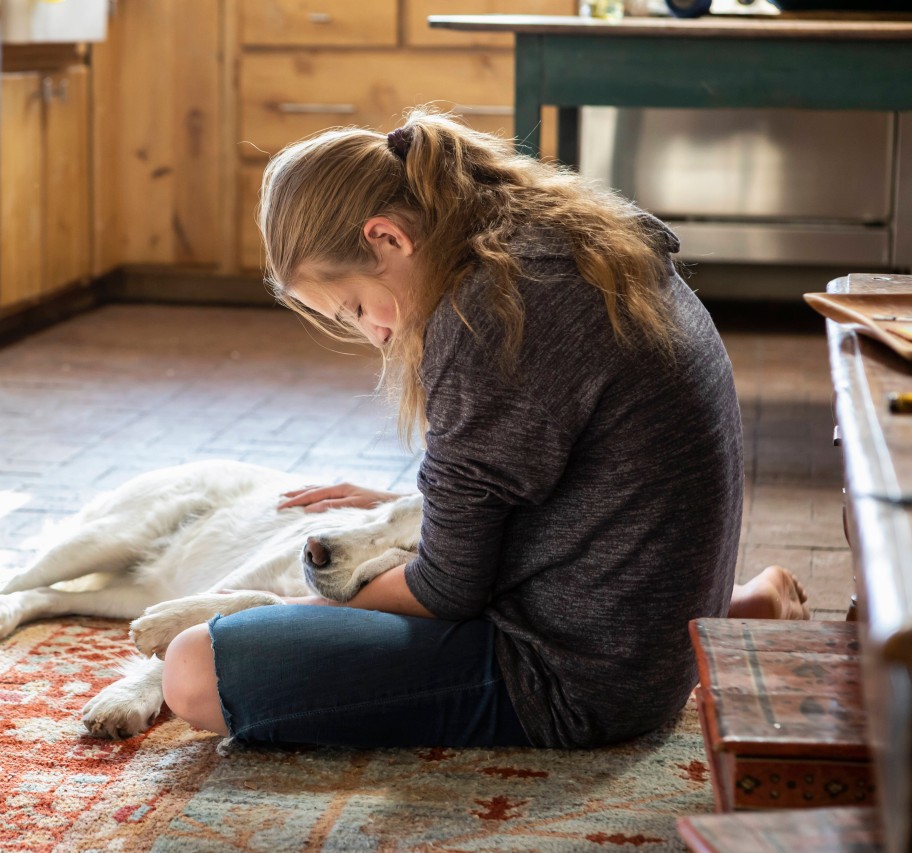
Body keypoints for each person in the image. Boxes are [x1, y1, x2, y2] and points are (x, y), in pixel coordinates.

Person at [159, 110, 809, 750]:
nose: (374, 333)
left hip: (576, 682)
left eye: (356, 306)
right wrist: (404, 511)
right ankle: (731, 610)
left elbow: (445, 590)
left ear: (386, 237)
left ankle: (726, 613)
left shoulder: (489, 313)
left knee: (193, 666)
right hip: (641, 633)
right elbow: (552, 485)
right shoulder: (556, 241)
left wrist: (309, 605)